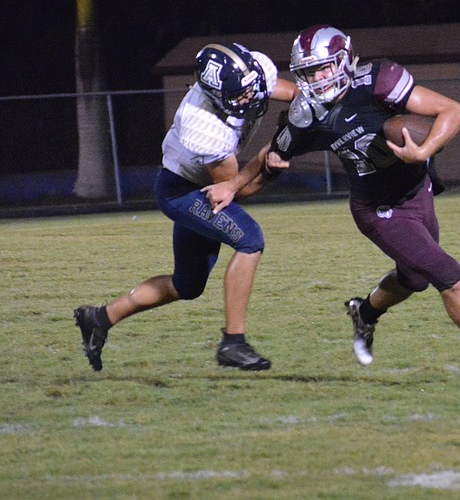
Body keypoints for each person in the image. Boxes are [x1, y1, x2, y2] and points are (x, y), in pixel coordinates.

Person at [205, 26, 460, 382]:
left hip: (418, 191)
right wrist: (235, 184)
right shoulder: (307, 116)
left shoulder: (379, 81)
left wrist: (423, 151)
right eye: (309, 72)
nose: (318, 79)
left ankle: (364, 313)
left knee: (414, 279)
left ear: (345, 61)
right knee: (447, 275)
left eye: (325, 68)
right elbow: (269, 155)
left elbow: (453, 111)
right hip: (379, 210)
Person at [74, 42, 297, 372]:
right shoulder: (203, 126)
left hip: (202, 186)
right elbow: (234, 190)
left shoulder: (254, 74)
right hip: (182, 192)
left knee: (188, 285)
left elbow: (295, 94)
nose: (249, 99)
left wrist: (313, 112)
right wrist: (268, 169)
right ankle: (233, 343)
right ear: (215, 94)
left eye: (250, 90)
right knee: (250, 240)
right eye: (238, 96)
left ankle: (100, 318)